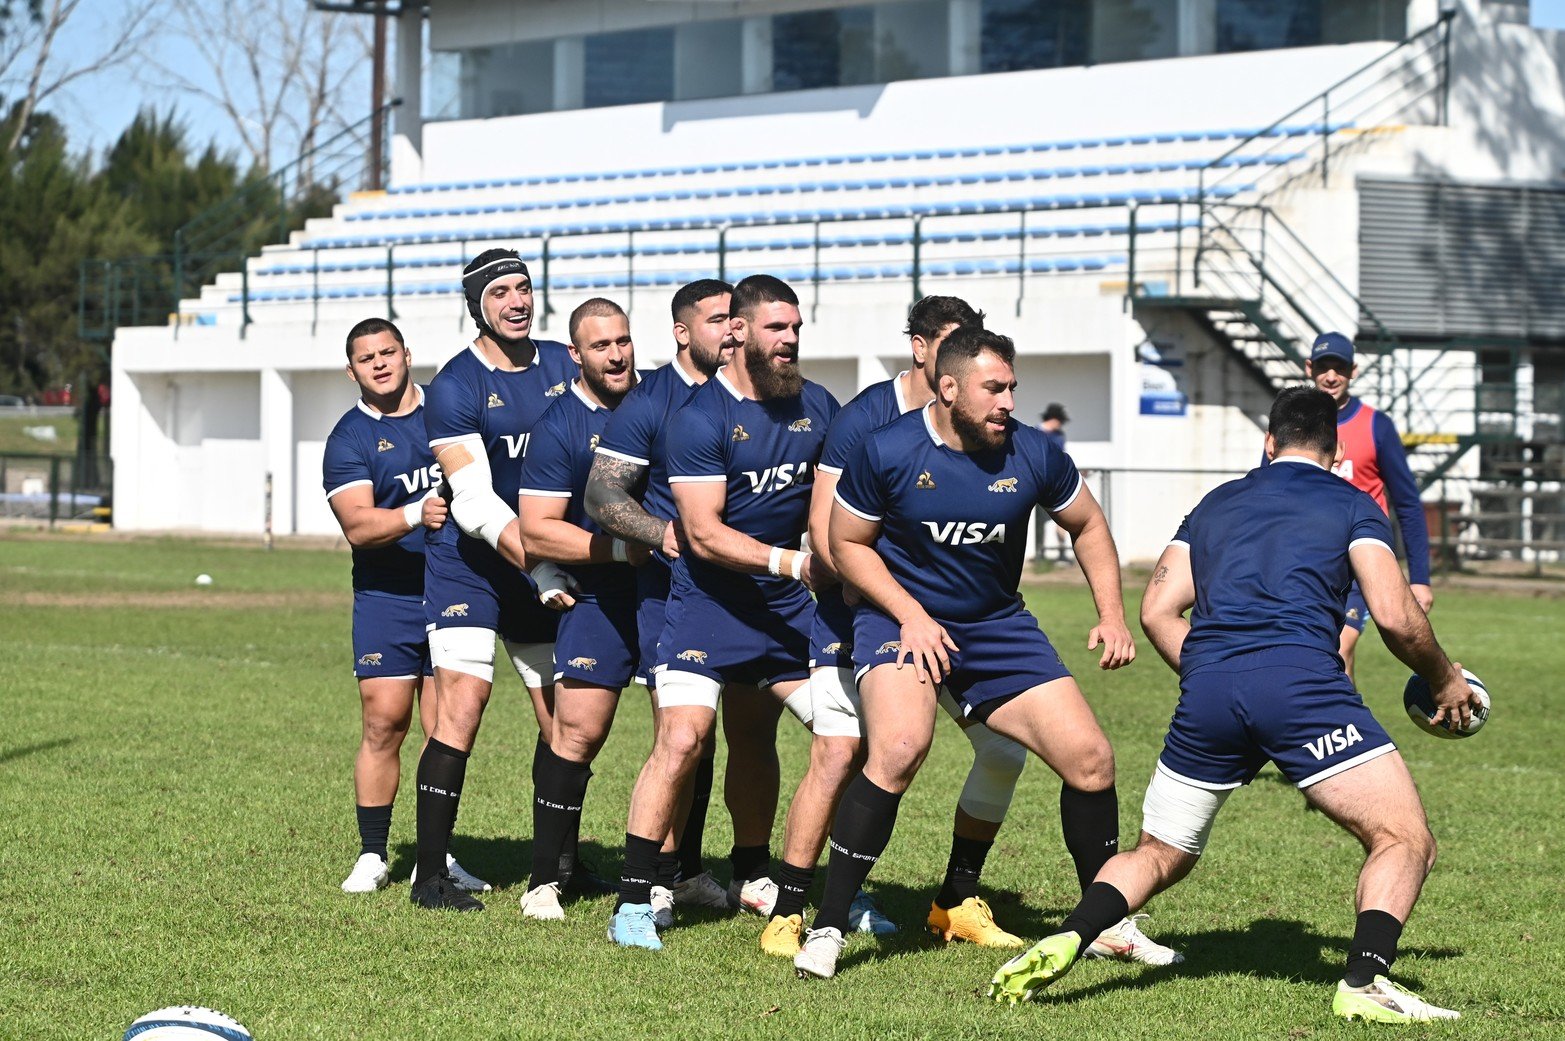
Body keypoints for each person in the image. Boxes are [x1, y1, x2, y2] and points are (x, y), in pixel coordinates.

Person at [989, 386, 1476, 1023]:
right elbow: (1395, 617)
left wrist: (1215, 673)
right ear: (1333, 454)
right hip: (1301, 687)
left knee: (1159, 854)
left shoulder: (1215, 504)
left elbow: (1157, 610)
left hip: (1209, 693)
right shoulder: (1352, 503)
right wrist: (1443, 679)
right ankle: (1364, 983)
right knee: (1403, 838)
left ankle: (1073, 935)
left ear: (1268, 445)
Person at [796, 327, 1173, 980]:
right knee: (898, 748)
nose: (1006, 400)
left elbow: (1085, 523)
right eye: (992, 388)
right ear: (948, 388)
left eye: (1011, 387)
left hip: (997, 627)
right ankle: (826, 926)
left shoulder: (1034, 451)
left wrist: (1110, 613)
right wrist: (910, 614)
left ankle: (1105, 922)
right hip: (896, 622)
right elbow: (846, 543)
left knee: (1091, 759)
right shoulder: (885, 449)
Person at [759, 296, 1029, 960]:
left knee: (1002, 750)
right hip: (864, 616)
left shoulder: (980, 426)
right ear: (918, 347)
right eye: (950, 341)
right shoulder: (864, 421)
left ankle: (955, 902)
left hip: (949, 624)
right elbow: (828, 536)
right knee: (840, 754)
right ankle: (790, 909)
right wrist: (890, 604)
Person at [608, 274, 837, 950]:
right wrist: (794, 562)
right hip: (706, 605)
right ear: (736, 331)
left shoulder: (816, 406)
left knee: (847, 738)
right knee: (680, 741)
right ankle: (632, 899)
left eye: (795, 327)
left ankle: (792, 884)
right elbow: (703, 532)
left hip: (786, 613)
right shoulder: (697, 418)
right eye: (776, 327)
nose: (790, 339)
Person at [410, 248, 580, 911]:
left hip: (542, 564)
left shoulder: (566, 365)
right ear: (476, 304)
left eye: (524, 287)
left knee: (563, 715)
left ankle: (558, 867)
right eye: (501, 291)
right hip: (472, 567)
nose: (516, 301)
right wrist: (538, 562)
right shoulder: (455, 384)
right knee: (463, 706)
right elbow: (475, 502)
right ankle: (429, 876)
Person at [585, 279, 751, 918]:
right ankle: (654, 877)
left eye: (737, 321)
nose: (731, 333)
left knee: (737, 736)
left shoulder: (757, 395)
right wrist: (664, 535)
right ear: (683, 332)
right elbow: (602, 498)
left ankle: (719, 870)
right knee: (681, 734)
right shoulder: (651, 402)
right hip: (673, 595)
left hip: (758, 595)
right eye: (717, 322)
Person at [322, 317, 483, 895]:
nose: (381, 364)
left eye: (388, 352)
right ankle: (373, 852)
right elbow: (360, 527)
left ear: (407, 354)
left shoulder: (446, 411)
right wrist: (418, 513)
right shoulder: (348, 439)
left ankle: (435, 858)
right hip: (387, 597)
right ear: (352, 371)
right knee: (384, 722)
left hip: (454, 589)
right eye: (368, 359)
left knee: (446, 730)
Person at [516, 298, 651, 920]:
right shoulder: (558, 425)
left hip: (668, 595)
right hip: (598, 593)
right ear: (576, 354)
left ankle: (675, 876)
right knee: (577, 732)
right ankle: (547, 878)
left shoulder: (664, 405)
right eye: (601, 346)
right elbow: (538, 532)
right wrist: (627, 550)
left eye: (622, 341)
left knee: (687, 731)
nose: (617, 354)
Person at [1280, 333, 1433, 682]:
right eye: (1323, 367)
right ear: (1309, 368)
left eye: (1339, 368)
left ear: (1354, 371)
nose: (1331, 376)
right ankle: (1330, 725)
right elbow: (1268, 487)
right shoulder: (1294, 425)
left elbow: (1407, 504)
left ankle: (1341, 730)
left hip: (1360, 561)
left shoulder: (1376, 426)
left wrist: (1420, 578)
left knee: (1338, 647)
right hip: (1307, 560)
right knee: (1311, 651)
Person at [1037, 403, 1070, 563]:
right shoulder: (1035, 433)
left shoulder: (1059, 436)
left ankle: (1062, 551)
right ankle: (1039, 552)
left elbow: (1061, 457)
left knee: (1062, 518)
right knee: (1037, 521)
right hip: (1037, 484)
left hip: (1054, 484)